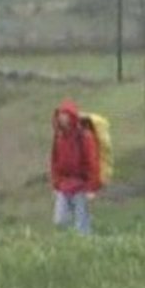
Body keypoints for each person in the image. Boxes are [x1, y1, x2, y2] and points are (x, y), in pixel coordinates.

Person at [50, 99, 101, 236]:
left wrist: (91, 188)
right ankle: (67, 246)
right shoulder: (59, 136)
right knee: (59, 221)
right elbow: (54, 161)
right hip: (63, 185)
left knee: (82, 227)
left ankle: (84, 249)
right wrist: (56, 183)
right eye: (60, 115)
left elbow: (92, 162)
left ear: (71, 117)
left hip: (81, 186)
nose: (62, 118)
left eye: (65, 115)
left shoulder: (85, 137)